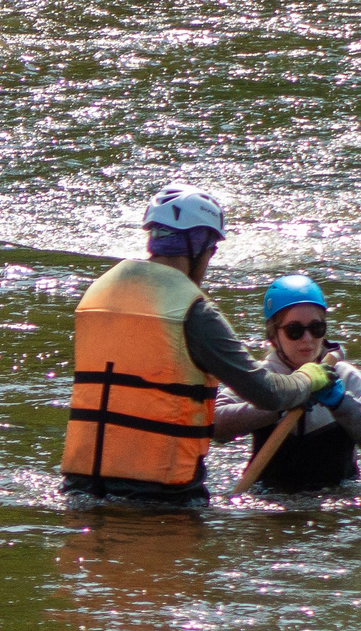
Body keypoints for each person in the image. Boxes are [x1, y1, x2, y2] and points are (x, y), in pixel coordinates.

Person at [61, 185, 330, 504]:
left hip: (80, 490)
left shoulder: (97, 294)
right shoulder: (193, 312)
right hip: (160, 495)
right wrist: (309, 378)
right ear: (198, 245)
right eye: (212, 249)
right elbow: (267, 393)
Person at [213, 274, 361, 492]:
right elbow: (214, 425)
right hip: (270, 497)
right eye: (295, 330)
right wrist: (280, 400)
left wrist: (341, 404)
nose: (308, 339)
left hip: (335, 497)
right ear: (274, 334)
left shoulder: (345, 377)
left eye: (316, 328)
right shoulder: (260, 378)